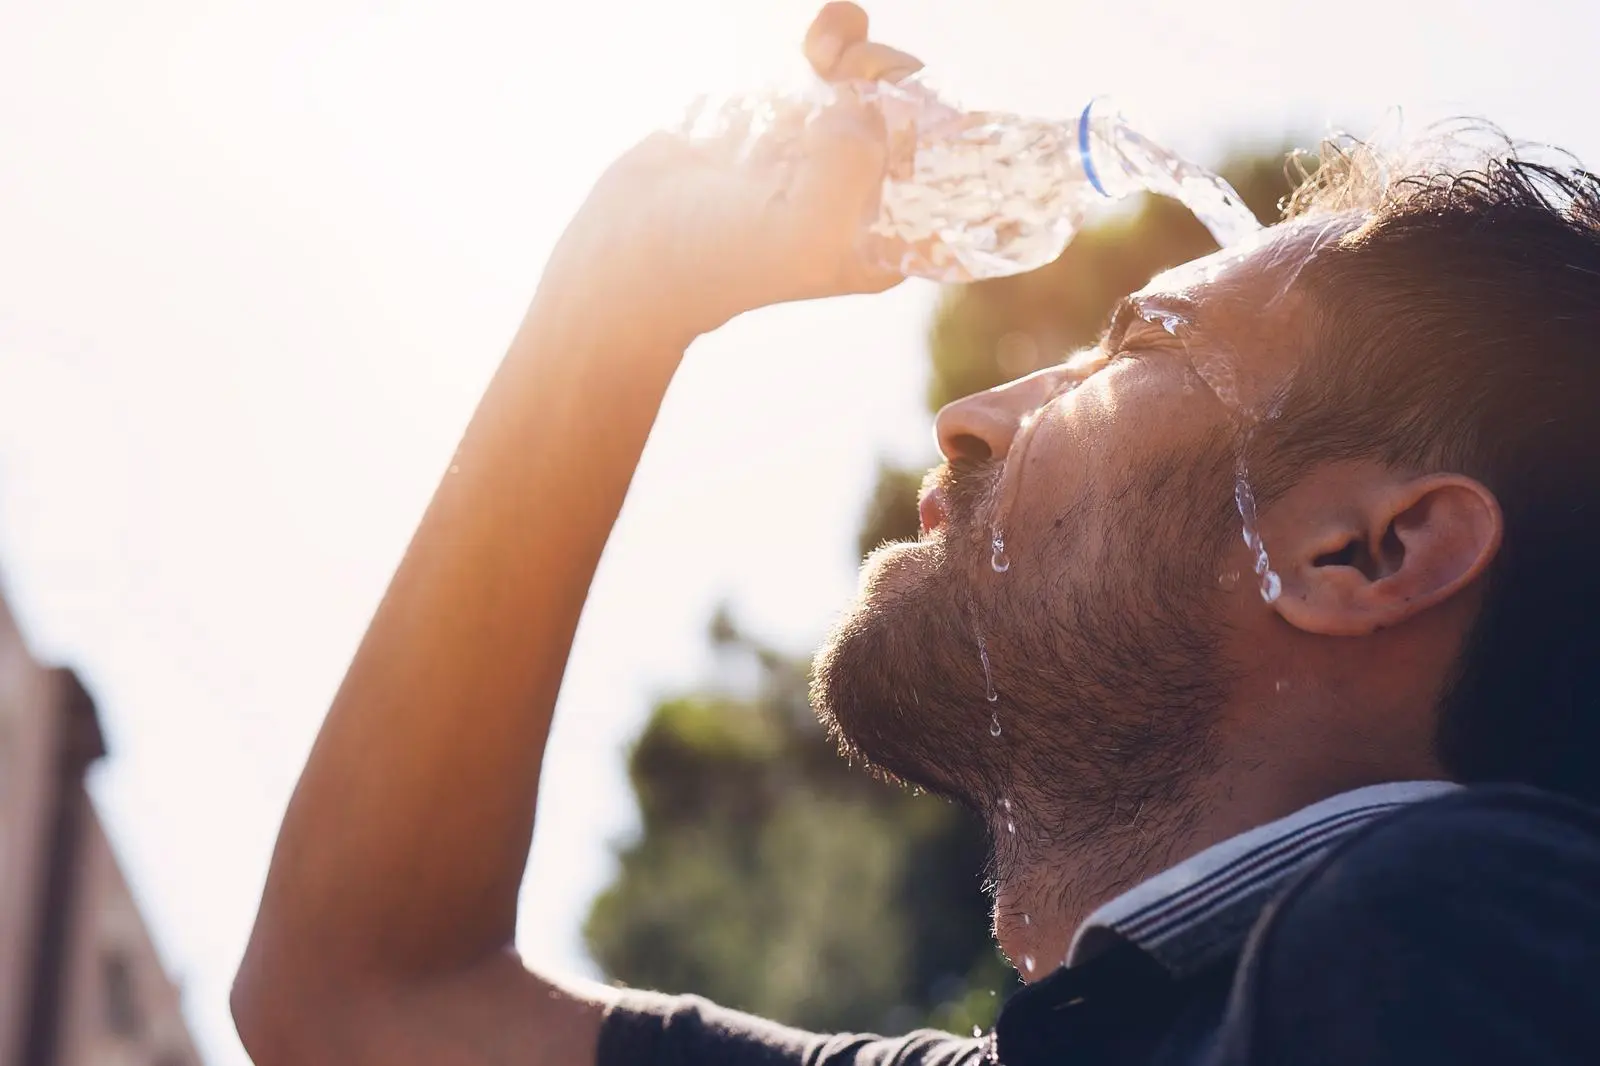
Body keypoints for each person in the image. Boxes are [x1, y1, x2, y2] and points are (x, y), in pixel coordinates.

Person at [230, 4, 1600, 1064]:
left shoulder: (1453, 930)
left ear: (1363, 553)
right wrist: (617, 293)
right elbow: (360, 990)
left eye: (1141, 342)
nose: (969, 416)